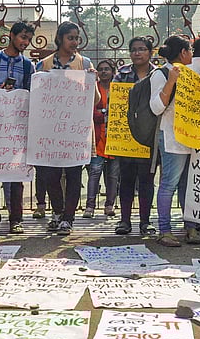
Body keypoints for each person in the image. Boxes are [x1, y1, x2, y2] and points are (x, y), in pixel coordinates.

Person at [34, 21, 97, 236]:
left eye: (77, 38)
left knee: (73, 174)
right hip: (50, 129)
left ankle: (68, 218)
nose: (74, 42)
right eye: (70, 37)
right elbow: (36, 97)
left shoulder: (84, 63)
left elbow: (95, 100)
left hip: (75, 130)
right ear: (60, 38)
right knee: (50, 174)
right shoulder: (43, 65)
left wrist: (92, 80)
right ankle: (58, 212)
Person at [0, 21, 36, 234]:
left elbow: (31, 95)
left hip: (15, 128)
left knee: (16, 175)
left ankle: (16, 219)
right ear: (11, 35)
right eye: (22, 37)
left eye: (28, 39)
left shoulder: (28, 66)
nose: (25, 42)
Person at [152, 34, 200, 247]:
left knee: (188, 184)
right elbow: (156, 107)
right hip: (172, 136)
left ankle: (190, 226)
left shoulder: (190, 75)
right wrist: (171, 81)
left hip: (189, 135)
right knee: (169, 184)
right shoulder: (161, 73)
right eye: (190, 50)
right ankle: (165, 230)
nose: (192, 54)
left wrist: (199, 95)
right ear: (183, 53)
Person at [113, 36, 156, 236]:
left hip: (150, 136)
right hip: (125, 136)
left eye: (142, 49)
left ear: (150, 52)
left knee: (147, 180)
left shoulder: (158, 75)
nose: (137, 53)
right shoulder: (121, 74)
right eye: (134, 50)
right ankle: (124, 221)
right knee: (126, 180)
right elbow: (114, 105)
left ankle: (145, 222)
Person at [84, 58, 119, 218]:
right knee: (95, 172)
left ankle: (109, 205)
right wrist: (102, 115)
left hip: (115, 137)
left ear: (113, 72)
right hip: (97, 137)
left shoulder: (118, 89)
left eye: (107, 69)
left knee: (113, 175)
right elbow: (87, 108)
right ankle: (89, 207)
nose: (104, 71)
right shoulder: (93, 87)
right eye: (101, 69)